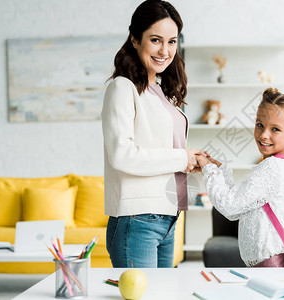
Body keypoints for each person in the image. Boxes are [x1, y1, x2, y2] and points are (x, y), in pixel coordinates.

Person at [101, 0, 200, 268]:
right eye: (156, 40)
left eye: (171, 41)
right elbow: (122, 155)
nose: (165, 51)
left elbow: (160, 148)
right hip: (138, 219)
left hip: (167, 217)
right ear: (135, 39)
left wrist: (192, 160)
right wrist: (182, 158)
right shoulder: (122, 88)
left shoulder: (161, 92)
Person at [196, 88, 284, 267]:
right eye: (259, 124)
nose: (263, 134)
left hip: (270, 266)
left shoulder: (272, 167)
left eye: (275, 129)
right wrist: (218, 169)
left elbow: (229, 206)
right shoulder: (281, 164)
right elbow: (238, 207)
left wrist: (208, 169)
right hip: (270, 262)